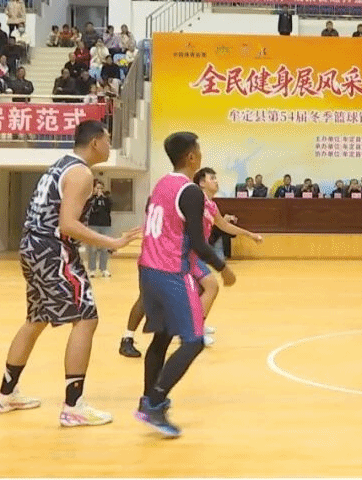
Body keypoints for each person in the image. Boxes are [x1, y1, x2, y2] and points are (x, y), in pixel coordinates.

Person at [0, 120, 139, 427]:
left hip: (32, 246)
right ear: (95, 142)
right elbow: (68, 224)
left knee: (36, 319)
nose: (109, 145)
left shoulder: (60, 165)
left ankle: (6, 394)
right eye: (108, 139)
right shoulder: (81, 172)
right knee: (86, 318)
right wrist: (112, 242)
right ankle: (73, 406)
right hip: (52, 250)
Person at [134, 133, 227, 437]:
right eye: (198, 150)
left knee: (161, 338)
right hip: (171, 272)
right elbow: (199, 243)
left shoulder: (161, 184)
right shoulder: (191, 192)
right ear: (191, 157)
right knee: (193, 340)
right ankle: (155, 402)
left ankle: (147, 400)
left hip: (147, 269)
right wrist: (224, 268)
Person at [121, 166, 262, 357]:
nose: (216, 181)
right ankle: (129, 337)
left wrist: (249, 234)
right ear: (201, 182)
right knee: (148, 299)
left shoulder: (211, 206)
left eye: (216, 178)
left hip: (193, 255)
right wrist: (223, 268)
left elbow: (224, 225)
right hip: (177, 255)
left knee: (206, 288)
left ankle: (194, 326)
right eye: (212, 178)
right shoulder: (191, 197)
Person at [84, 180, 112, 278]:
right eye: (97, 188)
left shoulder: (106, 199)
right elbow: (92, 209)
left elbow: (109, 209)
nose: (99, 190)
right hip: (93, 225)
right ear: (93, 188)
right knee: (93, 248)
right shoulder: (90, 199)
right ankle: (92, 269)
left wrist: (103, 199)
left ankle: (103, 269)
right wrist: (97, 199)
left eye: (101, 188)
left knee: (104, 248)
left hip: (105, 225)